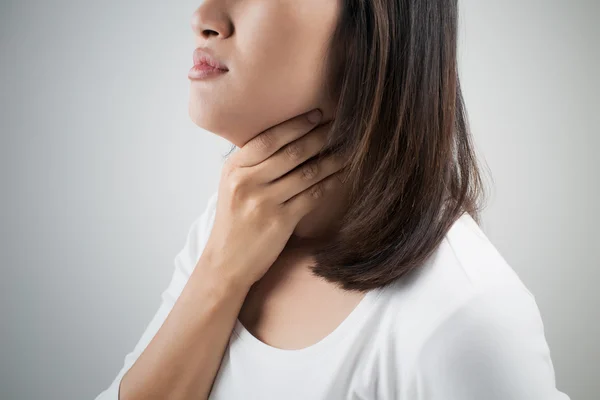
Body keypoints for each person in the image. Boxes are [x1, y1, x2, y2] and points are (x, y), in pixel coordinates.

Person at [95, 0, 571, 399]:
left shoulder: (467, 317)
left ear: (374, 28)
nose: (204, 15)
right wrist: (220, 272)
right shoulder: (234, 223)